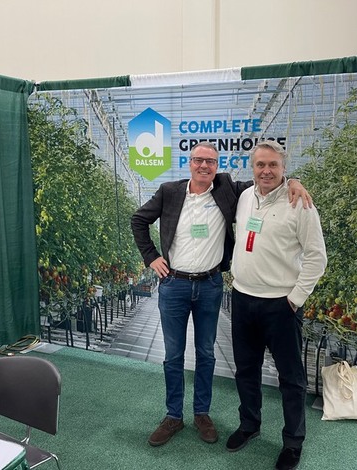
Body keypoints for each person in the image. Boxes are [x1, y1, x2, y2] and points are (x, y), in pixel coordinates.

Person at [130, 141, 311, 447]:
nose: (204, 166)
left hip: (210, 285)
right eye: (199, 160)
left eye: (211, 161)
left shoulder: (227, 188)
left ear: (217, 166)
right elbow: (138, 220)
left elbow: (268, 179)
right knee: (173, 355)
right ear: (189, 163)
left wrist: (294, 181)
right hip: (174, 284)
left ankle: (202, 413)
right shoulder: (169, 191)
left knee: (206, 353)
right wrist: (151, 257)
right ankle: (173, 415)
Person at [226, 141, 326, 470]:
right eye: (260, 165)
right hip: (242, 298)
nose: (266, 171)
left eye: (273, 165)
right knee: (246, 370)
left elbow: (317, 258)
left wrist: (295, 299)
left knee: (291, 379)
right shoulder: (244, 197)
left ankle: (293, 442)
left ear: (284, 168)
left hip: (281, 306)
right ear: (252, 168)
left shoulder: (300, 204)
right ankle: (249, 425)